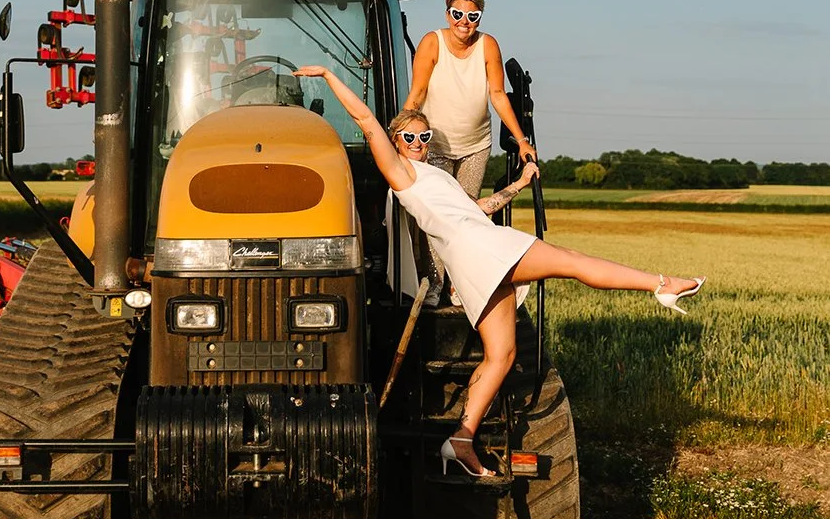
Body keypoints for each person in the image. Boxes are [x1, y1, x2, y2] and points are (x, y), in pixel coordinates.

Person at [294, 65, 705, 479]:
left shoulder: (434, 175)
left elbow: (480, 210)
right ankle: (662, 284)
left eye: (424, 137)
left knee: (502, 355)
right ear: (395, 142)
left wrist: (521, 183)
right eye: (408, 138)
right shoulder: (400, 173)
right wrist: (329, 75)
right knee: (574, 263)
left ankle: (462, 438)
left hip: (474, 255)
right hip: (484, 250)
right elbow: (366, 120)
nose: (417, 143)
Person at [406, 0, 535, 200]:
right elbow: (417, 93)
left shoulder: (488, 45)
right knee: (439, 210)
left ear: (479, 19)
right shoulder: (432, 42)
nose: (464, 21)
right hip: (436, 145)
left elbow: (498, 95)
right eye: (458, 14)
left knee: (468, 210)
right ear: (448, 15)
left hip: (475, 146)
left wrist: (522, 141)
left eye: (472, 16)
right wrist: (402, 135)